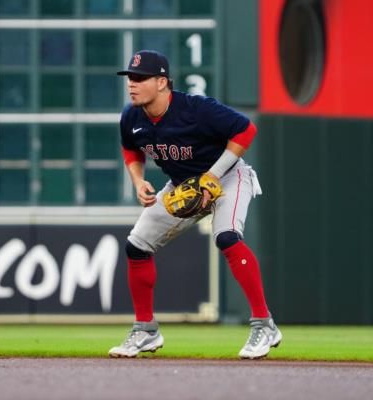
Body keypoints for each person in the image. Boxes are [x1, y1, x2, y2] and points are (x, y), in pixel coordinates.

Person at [108, 50, 282, 359]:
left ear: (162, 82)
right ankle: (145, 330)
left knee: (227, 237)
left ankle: (264, 325)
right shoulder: (132, 116)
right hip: (181, 187)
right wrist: (138, 181)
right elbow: (130, 149)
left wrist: (213, 175)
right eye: (129, 78)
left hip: (227, 178)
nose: (131, 84)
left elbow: (246, 130)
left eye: (139, 78)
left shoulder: (196, 109)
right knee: (137, 246)